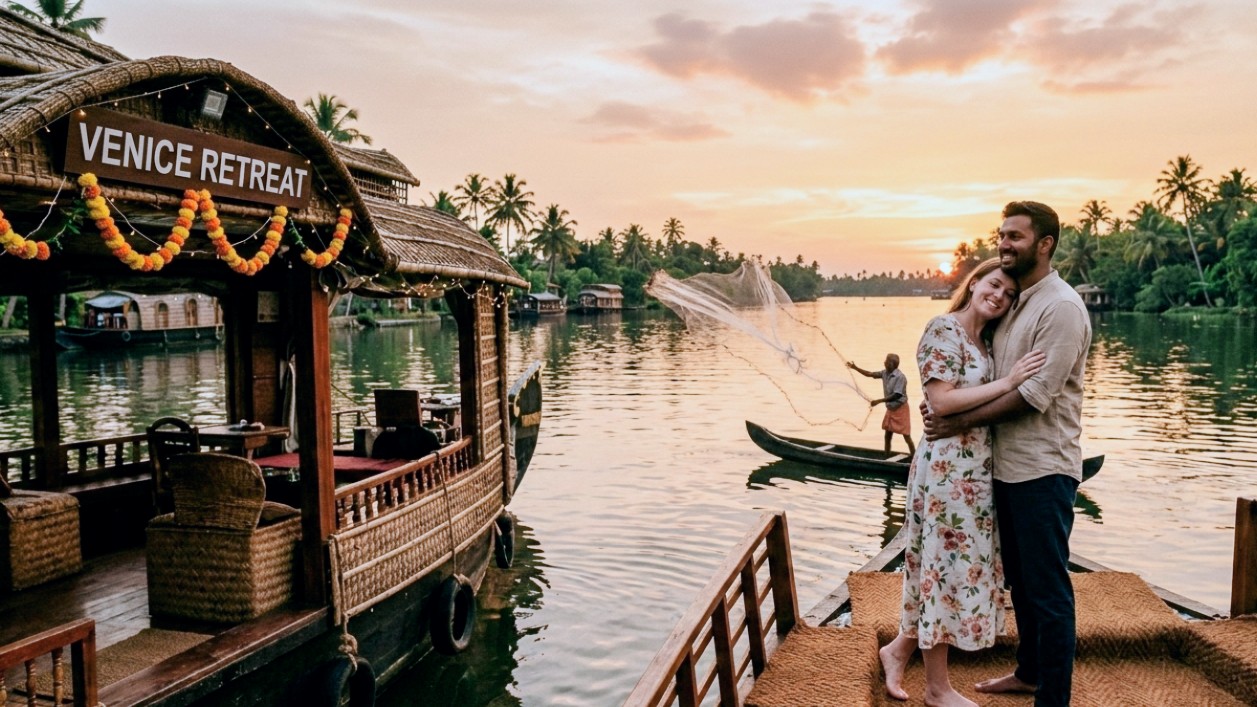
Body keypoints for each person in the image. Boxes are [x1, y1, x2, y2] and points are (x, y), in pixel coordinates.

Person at [923, 201, 1092, 707]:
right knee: (1019, 583)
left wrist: (955, 421)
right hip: (1005, 469)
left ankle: (1052, 698)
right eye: (1002, 234)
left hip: (1044, 467)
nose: (1004, 243)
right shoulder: (1018, 299)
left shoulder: (1060, 306)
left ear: (1044, 244)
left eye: (1016, 236)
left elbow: (1032, 395)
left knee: (1047, 590)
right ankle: (1028, 671)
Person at [878, 257, 1045, 706]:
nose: (999, 296)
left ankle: (898, 650)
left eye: (1009, 294)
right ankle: (937, 689)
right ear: (973, 283)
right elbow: (942, 400)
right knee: (942, 571)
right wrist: (1009, 381)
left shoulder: (985, 340)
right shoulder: (943, 329)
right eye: (993, 285)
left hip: (974, 474)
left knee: (945, 568)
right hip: (946, 475)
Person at [848, 354, 916, 455]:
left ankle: (914, 457)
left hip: (901, 408)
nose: (884, 362)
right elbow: (870, 374)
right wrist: (855, 367)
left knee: (906, 435)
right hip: (890, 409)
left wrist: (878, 401)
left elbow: (896, 395)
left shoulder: (900, 377)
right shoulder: (885, 373)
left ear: (892, 364)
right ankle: (886, 456)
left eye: (887, 361)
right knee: (887, 435)